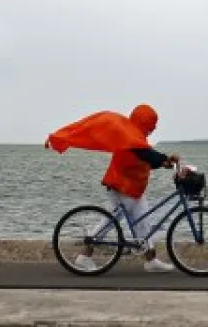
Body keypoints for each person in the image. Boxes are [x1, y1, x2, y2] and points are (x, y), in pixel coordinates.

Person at [46, 103, 179, 273]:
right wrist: (165, 159)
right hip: (122, 186)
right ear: (144, 122)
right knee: (111, 221)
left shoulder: (135, 135)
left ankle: (151, 260)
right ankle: (84, 256)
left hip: (131, 188)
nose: (153, 128)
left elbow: (143, 158)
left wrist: (163, 163)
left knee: (143, 223)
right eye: (151, 124)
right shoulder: (130, 136)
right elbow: (144, 154)